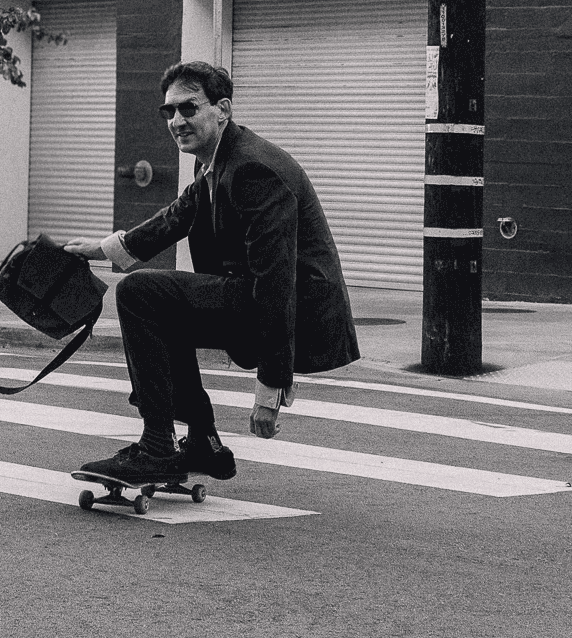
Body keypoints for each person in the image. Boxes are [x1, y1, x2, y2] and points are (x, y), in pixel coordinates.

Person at [63, 60, 360, 485]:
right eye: (170, 112)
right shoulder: (218, 161)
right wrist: (98, 249)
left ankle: (156, 448)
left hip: (296, 313)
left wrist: (270, 387)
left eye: (189, 109)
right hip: (255, 297)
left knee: (139, 293)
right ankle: (203, 443)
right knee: (158, 305)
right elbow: (175, 218)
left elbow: (277, 283)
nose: (177, 121)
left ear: (223, 109)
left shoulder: (253, 168)